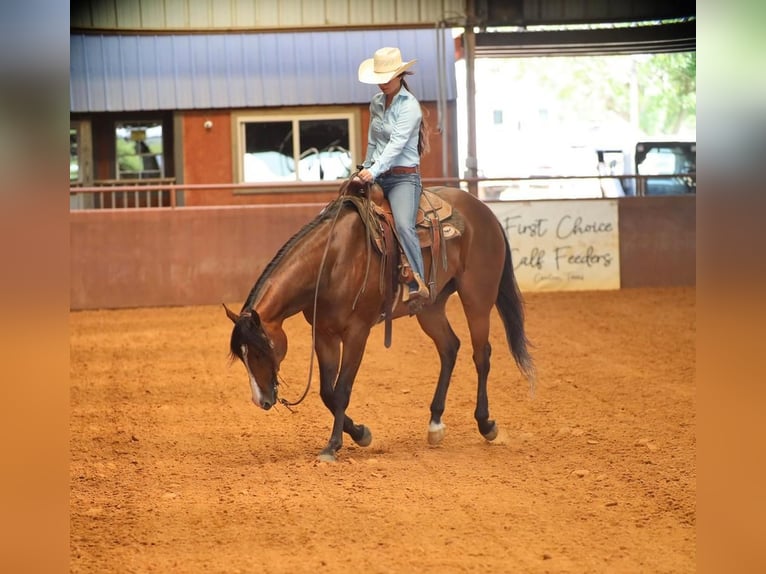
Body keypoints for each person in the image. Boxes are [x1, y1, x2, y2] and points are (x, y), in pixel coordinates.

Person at [355, 46, 430, 303]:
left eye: (388, 77)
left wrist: (373, 171)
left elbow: (396, 144)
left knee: (403, 224)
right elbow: (374, 141)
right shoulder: (376, 103)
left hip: (403, 178)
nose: (383, 83)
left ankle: (417, 281)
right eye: (380, 78)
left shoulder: (410, 107)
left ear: (400, 76)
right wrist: (365, 169)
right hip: (378, 174)